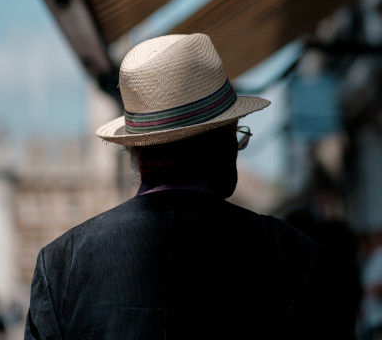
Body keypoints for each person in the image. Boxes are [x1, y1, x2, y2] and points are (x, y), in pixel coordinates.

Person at [25, 33, 346, 339]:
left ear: (135, 151)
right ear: (221, 144)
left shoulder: (62, 266)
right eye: (236, 136)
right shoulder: (293, 256)